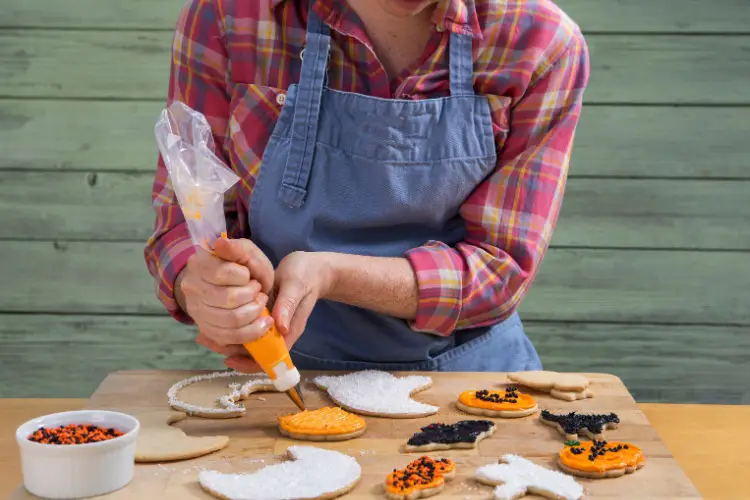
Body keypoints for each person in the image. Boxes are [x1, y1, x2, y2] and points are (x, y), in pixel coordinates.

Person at [145, 0, 589, 374]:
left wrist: (332, 274)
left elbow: (501, 270)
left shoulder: (540, 43)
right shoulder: (230, 15)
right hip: (283, 376)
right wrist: (203, 286)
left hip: (469, 379)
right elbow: (185, 224)